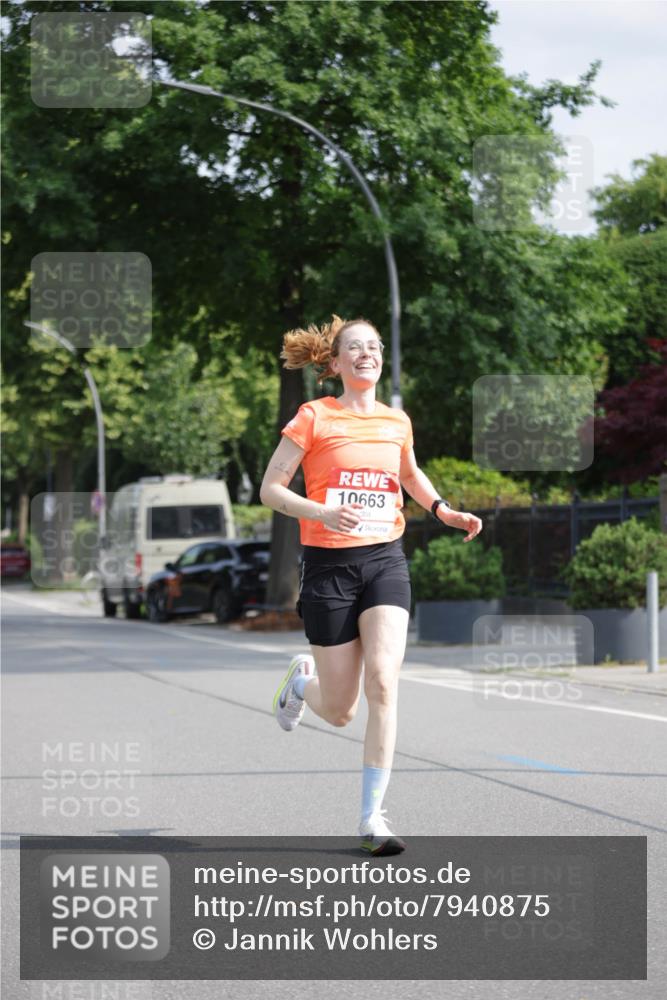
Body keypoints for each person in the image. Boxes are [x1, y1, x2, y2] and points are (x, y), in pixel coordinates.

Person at [260, 315, 482, 855]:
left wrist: (443, 510)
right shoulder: (314, 416)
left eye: (374, 346)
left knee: (383, 683)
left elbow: (408, 474)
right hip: (328, 566)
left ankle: (371, 818)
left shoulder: (396, 421)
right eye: (355, 347)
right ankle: (301, 685)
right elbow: (270, 489)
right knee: (341, 711)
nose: (367, 353)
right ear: (335, 363)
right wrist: (322, 511)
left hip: (385, 560)